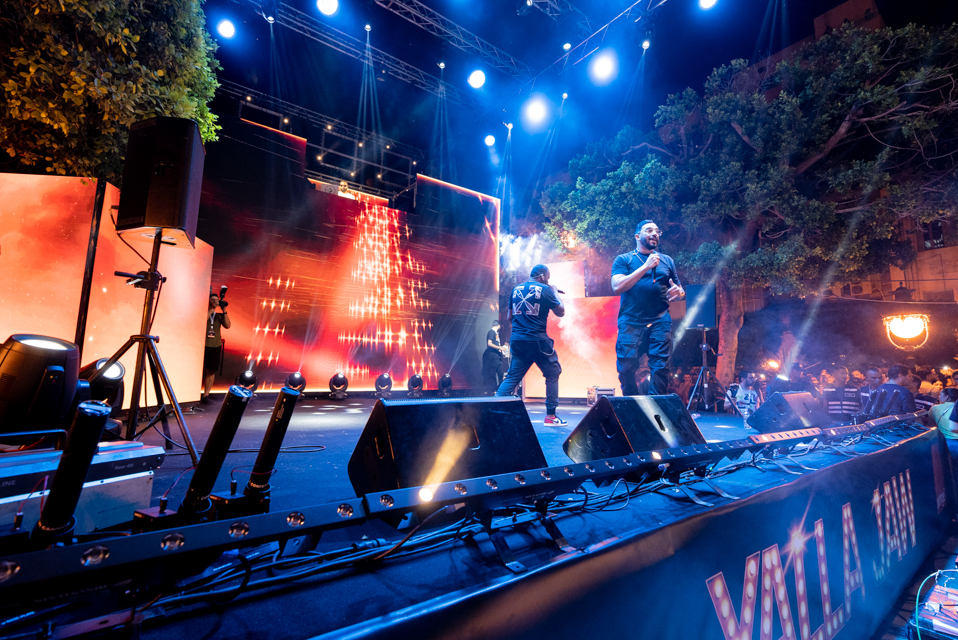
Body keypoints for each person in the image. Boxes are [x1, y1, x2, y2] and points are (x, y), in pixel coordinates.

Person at [611, 220, 684, 396]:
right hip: (631, 321)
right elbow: (617, 286)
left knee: (660, 366)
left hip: (660, 319)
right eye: (649, 230)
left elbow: (680, 289)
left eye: (657, 231)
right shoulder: (624, 259)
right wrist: (646, 266)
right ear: (637, 236)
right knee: (626, 367)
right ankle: (632, 402)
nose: (654, 234)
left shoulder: (667, 260)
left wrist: (679, 292)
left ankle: (655, 404)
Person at [496, 264, 567, 426]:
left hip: (518, 340)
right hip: (537, 340)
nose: (548, 280)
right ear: (542, 276)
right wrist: (554, 290)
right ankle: (550, 416)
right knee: (553, 373)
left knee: (513, 377)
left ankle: (491, 411)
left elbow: (509, 317)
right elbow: (561, 312)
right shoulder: (546, 289)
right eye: (547, 277)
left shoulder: (516, 290)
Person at [202, 290, 231, 404]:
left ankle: (206, 395)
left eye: (216, 300)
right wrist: (211, 309)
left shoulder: (218, 316)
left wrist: (224, 310)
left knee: (211, 371)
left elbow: (228, 325)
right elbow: (202, 321)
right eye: (212, 300)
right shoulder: (203, 312)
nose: (215, 302)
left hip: (215, 345)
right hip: (202, 345)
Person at [481, 320, 506, 392]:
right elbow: (489, 343)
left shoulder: (495, 333)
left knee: (500, 373)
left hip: (497, 357)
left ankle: (500, 389)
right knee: (492, 374)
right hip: (492, 357)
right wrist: (499, 347)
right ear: (498, 325)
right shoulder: (491, 332)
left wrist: (500, 349)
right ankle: (493, 390)